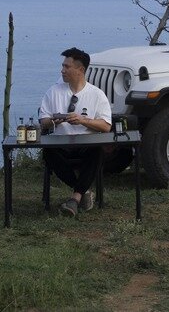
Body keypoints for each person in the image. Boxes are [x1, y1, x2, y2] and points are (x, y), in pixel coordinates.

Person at [38, 47, 112, 217]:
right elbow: (43, 122)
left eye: (67, 67)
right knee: (49, 153)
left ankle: (75, 198)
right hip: (60, 144)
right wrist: (53, 121)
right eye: (62, 66)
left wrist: (83, 120)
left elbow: (106, 126)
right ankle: (82, 193)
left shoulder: (97, 95)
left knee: (97, 151)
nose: (62, 70)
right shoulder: (53, 92)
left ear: (80, 70)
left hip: (87, 144)